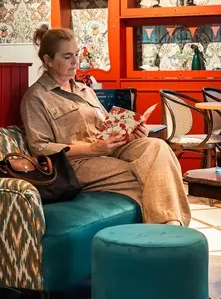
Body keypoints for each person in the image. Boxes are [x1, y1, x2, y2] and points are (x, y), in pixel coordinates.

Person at [21, 25, 190, 225]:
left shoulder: (85, 90)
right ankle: (170, 227)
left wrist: (130, 132)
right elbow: (40, 148)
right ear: (48, 60)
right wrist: (91, 148)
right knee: (145, 172)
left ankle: (167, 228)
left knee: (158, 147)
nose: (76, 62)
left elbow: (105, 126)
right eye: (67, 57)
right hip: (77, 163)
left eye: (76, 54)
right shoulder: (36, 97)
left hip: (108, 149)